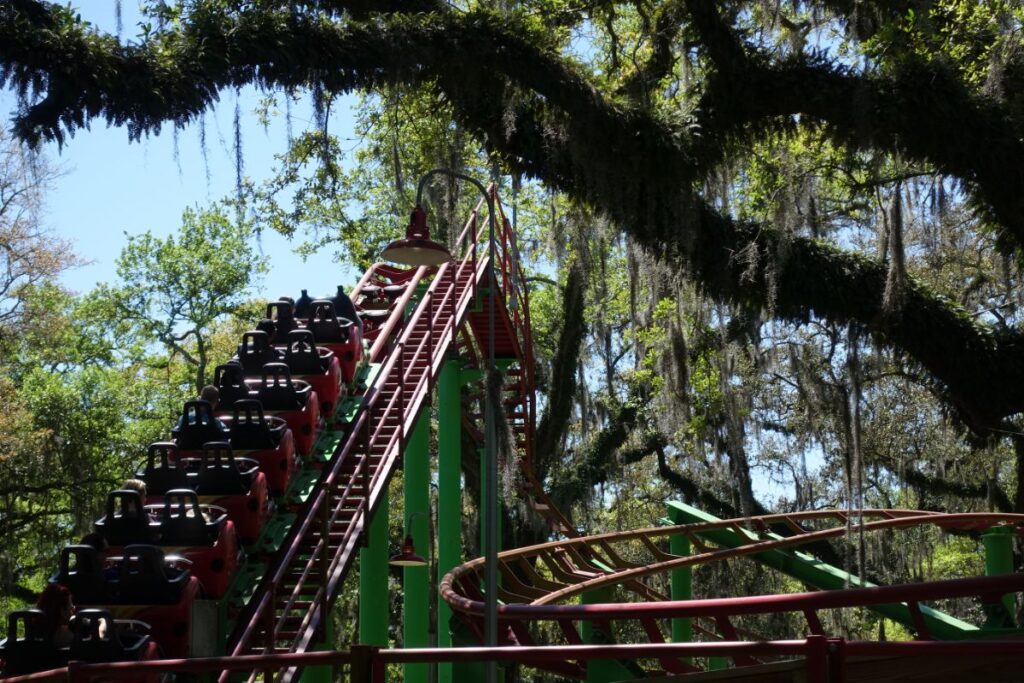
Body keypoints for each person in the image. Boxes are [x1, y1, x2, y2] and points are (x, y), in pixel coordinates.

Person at [36, 583, 75, 648]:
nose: (73, 608)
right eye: (71, 606)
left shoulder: (34, 634)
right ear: (62, 611)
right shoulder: (64, 636)